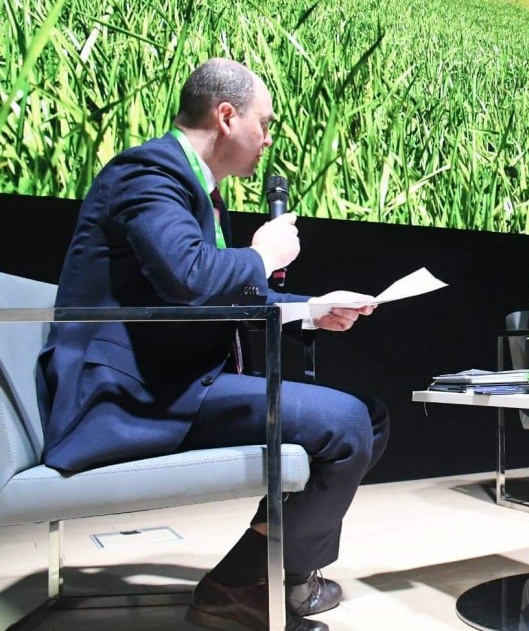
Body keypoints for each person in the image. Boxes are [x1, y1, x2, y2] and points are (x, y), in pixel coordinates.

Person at [36, 58, 389, 631]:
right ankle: (246, 586)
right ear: (226, 116)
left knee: (367, 417)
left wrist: (313, 309)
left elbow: (215, 292)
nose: (268, 139)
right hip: (127, 397)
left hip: (175, 384)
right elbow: (191, 278)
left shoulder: (200, 190)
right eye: (264, 124)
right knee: (346, 423)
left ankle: (259, 577)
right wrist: (263, 254)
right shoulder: (147, 172)